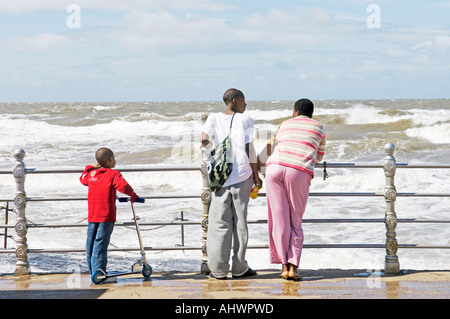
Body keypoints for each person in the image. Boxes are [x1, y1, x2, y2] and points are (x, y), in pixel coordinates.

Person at [201, 88, 262, 279]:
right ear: (235, 101)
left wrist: (216, 158)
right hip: (242, 176)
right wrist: (256, 174)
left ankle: (218, 270)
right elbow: (248, 148)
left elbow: (204, 141)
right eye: (244, 100)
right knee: (240, 224)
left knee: (219, 223)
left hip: (219, 179)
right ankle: (239, 268)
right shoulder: (246, 119)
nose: (246, 104)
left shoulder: (212, 118)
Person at [264, 99, 326, 281]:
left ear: (295, 112)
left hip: (273, 168)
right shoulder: (319, 127)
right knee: (295, 221)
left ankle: (283, 266)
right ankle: (293, 268)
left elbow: (274, 144)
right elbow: (320, 155)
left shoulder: (284, 124)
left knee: (279, 219)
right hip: (298, 171)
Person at [80, 147, 141, 275]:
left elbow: (83, 178)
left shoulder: (92, 174)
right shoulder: (113, 174)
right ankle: (99, 272)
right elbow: (123, 186)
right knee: (101, 243)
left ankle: (93, 271)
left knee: (90, 242)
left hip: (92, 215)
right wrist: (133, 196)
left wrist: (88, 167)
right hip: (106, 216)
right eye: (114, 159)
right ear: (110, 159)